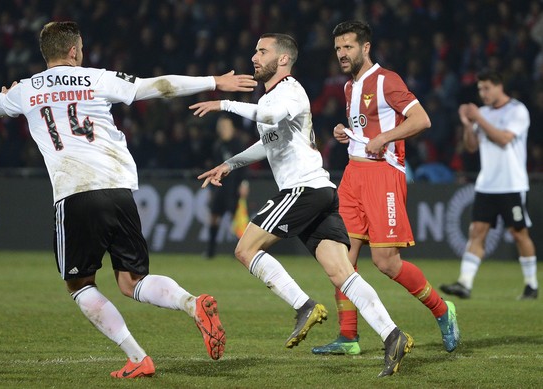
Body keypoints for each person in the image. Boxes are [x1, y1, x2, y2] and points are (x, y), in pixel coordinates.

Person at [0, 21, 258, 378]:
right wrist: (213, 82)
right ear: (73, 51)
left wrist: (8, 94)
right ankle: (192, 305)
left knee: (79, 284)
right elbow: (160, 86)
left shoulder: (25, 91)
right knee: (132, 281)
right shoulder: (94, 78)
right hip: (118, 189)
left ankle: (137, 357)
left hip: (75, 193)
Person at [190, 32, 414, 378]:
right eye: (255, 50)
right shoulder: (275, 98)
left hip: (302, 189)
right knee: (342, 273)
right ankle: (392, 335)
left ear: (282, 59)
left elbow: (267, 117)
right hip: (320, 191)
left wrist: (224, 103)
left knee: (245, 249)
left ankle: (304, 306)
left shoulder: (289, 91)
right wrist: (229, 164)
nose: (254, 57)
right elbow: (268, 142)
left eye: (262, 51)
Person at [312, 20, 460, 356]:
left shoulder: (386, 80)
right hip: (352, 177)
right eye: (338, 48)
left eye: (348, 47)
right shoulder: (350, 87)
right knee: (340, 259)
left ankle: (442, 310)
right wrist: (346, 134)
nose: (342, 54)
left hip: (383, 177)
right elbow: (367, 130)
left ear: (365, 47)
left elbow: (422, 119)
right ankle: (348, 337)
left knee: (386, 262)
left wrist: (386, 138)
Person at [440, 71, 538, 300]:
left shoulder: (517, 110)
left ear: (498, 86)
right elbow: (472, 147)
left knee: (519, 233)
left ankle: (531, 285)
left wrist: (479, 119)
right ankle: (464, 283)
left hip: (511, 183)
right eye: (480, 89)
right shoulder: (481, 113)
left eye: (486, 88)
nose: (482, 94)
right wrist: (467, 124)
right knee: (477, 231)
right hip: (486, 184)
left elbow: (504, 139)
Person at [204, 115, 246, 259]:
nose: (223, 130)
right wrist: (211, 189)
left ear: (232, 128)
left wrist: (244, 183)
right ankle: (210, 252)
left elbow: (245, 166)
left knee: (237, 220)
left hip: (234, 186)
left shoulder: (238, 145)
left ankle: (242, 251)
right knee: (214, 217)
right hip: (219, 187)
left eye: (226, 127)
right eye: (221, 127)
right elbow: (213, 167)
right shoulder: (217, 145)